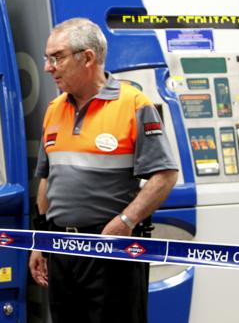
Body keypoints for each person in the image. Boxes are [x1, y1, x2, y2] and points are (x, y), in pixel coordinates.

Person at [29, 18, 179, 323]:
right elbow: (46, 180)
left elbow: (165, 175)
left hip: (112, 250)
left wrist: (126, 221)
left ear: (87, 58)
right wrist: (40, 240)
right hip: (61, 249)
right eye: (47, 58)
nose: (48, 67)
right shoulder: (54, 109)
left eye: (56, 57)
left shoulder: (133, 104)